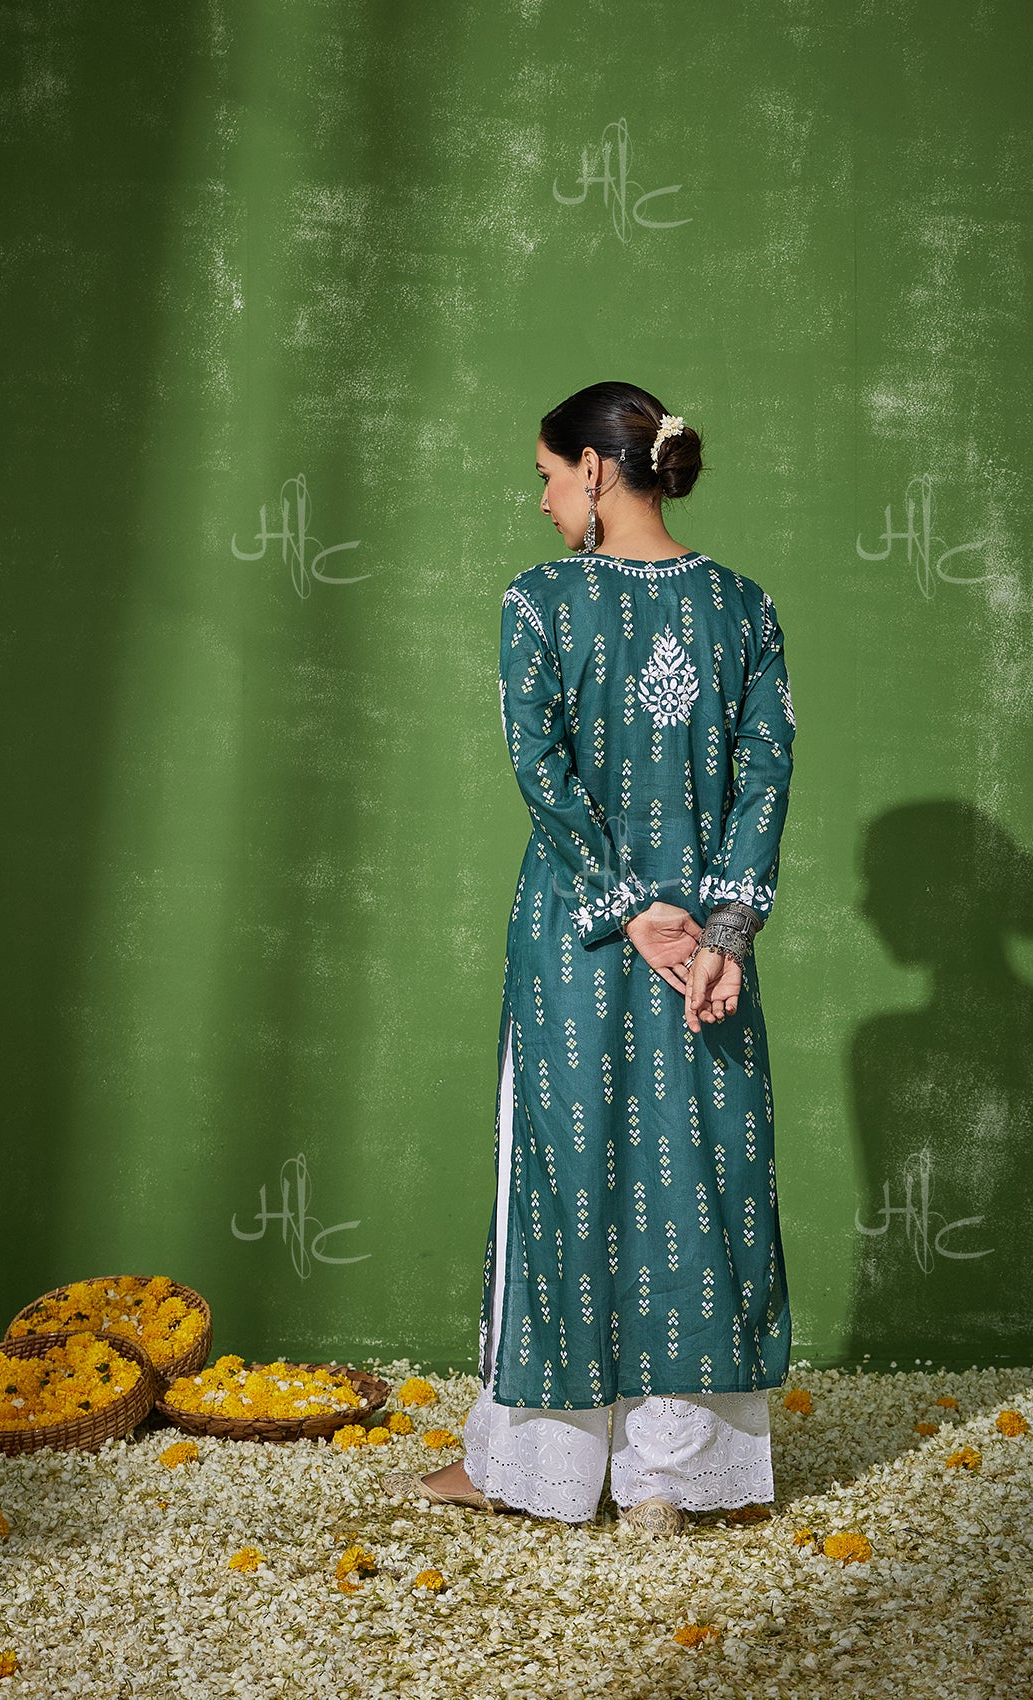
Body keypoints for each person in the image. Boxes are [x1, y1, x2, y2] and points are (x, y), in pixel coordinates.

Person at [387, 381, 796, 1535]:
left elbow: (542, 766)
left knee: (569, 1174)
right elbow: (766, 773)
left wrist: (627, 906)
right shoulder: (744, 606)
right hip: (702, 948)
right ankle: (672, 1474)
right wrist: (722, 930)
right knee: (695, 1176)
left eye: (547, 475)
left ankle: (541, 1466)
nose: (543, 500)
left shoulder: (540, 603)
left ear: (598, 469)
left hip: (581, 930)